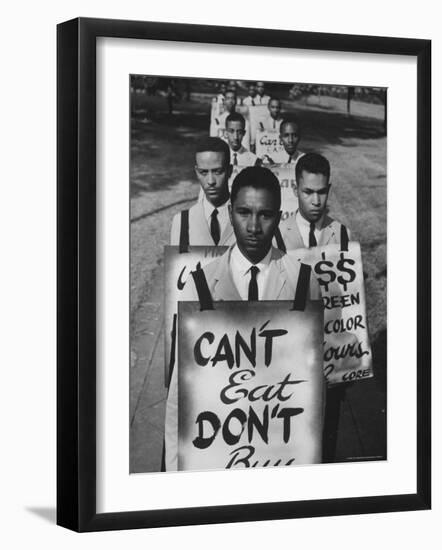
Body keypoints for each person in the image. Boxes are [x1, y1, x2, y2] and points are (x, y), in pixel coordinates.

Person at [164, 166, 318, 470]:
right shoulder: (200, 284)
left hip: (278, 452)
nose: (253, 227)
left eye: (265, 215)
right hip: (217, 452)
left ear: (279, 216)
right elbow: (178, 402)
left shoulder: (304, 282)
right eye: (244, 212)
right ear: (231, 212)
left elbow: (311, 395)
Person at [170, 138, 236, 247]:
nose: (210, 181)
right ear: (196, 172)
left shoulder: (247, 217)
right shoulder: (182, 222)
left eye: (217, 171)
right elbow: (177, 263)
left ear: (229, 170)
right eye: (203, 172)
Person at [280, 152, 351, 250]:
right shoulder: (278, 235)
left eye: (322, 192)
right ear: (296, 190)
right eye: (308, 192)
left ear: (328, 189)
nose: (316, 201)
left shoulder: (342, 234)